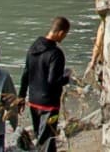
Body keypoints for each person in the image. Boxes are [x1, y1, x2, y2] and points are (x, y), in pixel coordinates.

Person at [19, 17, 72, 152]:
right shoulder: (56, 54)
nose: (64, 37)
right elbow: (53, 81)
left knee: (40, 137)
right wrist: (67, 77)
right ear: (60, 33)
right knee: (47, 141)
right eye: (65, 34)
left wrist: (21, 97)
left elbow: (26, 74)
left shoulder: (33, 48)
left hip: (33, 102)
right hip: (48, 104)